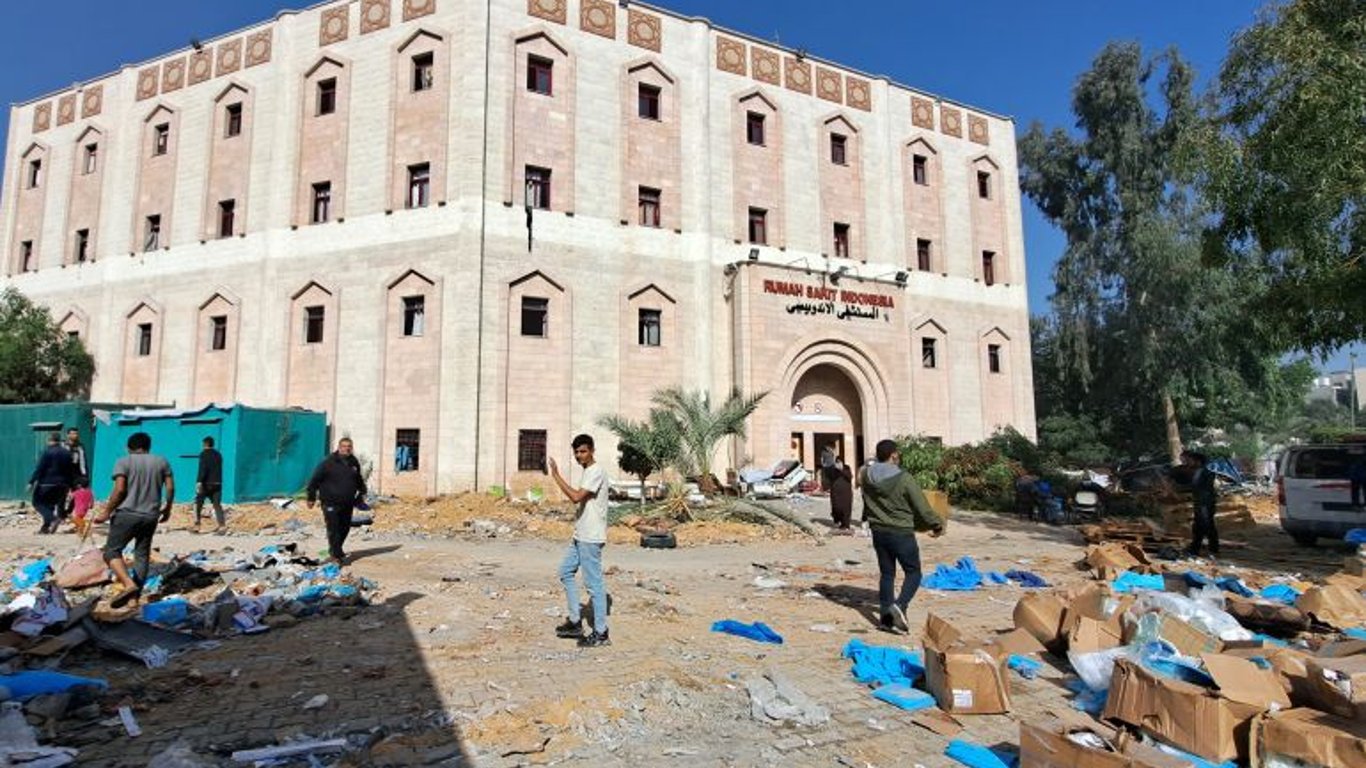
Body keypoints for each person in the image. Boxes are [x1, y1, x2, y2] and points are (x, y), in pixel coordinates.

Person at [859, 439, 944, 634]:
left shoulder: (866, 476)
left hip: (878, 532)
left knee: (887, 574)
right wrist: (936, 524)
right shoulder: (904, 478)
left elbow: (866, 501)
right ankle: (900, 605)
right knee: (914, 573)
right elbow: (922, 507)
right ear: (894, 455)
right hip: (901, 532)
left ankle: (887, 620)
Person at [92, 432, 173, 608]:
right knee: (141, 555)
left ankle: (128, 584)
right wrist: (167, 508)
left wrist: (106, 512)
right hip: (151, 515)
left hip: (126, 514)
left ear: (129, 447)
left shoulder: (124, 461)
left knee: (111, 552)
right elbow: (170, 487)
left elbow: (120, 489)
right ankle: (133, 599)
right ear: (148, 446)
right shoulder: (161, 461)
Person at [548, 434, 612, 648]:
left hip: (591, 538)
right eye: (576, 452)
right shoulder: (588, 471)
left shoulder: (595, 471)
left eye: (583, 451)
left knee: (594, 586)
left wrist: (556, 475)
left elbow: (576, 497)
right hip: (580, 535)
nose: (579, 456)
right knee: (565, 571)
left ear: (592, 450)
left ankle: (601, 633)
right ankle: (575, 621)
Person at [306, 437, 367, 564]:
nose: (347, 448)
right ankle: (336, 555)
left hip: (347, 502)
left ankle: (335, 550)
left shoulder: (353, 462)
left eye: (349, 446)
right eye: (344, 446)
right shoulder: (328, 462)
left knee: (344, 528)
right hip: (330, 502)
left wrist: (362, 491)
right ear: (339, 447)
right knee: (333, 528)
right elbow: (314, 480)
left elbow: (358, 479)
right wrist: (311, 497)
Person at [28, 433, 74, 534]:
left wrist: (31, 482)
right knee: (50, 505)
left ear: (49, 440)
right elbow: (71, 470)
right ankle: (45, 528)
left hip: (47, 483)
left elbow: (40, 468)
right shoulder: (67, 453)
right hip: (63, 484)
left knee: (37, 503)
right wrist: (71, 485)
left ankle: (53, 519)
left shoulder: (47, 452)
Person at [1184, 451, 1219, 558]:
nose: (1188, 463)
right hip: (1200, 503)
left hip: (1205, 504)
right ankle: (1197, 548)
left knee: (1206, 526)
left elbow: (1205, 490)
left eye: (1190, 461)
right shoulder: (1197, 472)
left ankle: (1210, 548)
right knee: (1200, 526)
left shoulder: (1207, 473)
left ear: (1198, 462)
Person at [194, 436, 226, 533]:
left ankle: (197, 525)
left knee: (198, 503)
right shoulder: (218, 454)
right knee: (217, 505)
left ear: (204, 444)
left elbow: (203, 468)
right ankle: (222, 526)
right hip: (217, 483)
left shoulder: (204, 454)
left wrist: (199, 481)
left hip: (206, 483)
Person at [821, 447, 854, 533]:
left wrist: (842, 470)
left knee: (846, 509)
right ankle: (837, 521)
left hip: (846, 492)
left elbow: (849, 477)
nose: (838, 464)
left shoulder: (846, 468)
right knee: (836, 507)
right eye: (837, 462)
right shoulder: (832, 469)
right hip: (835, 492)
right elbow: (829, 478)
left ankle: (846, 525)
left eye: (840, 462)